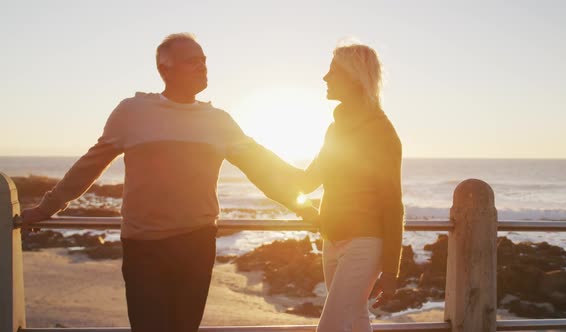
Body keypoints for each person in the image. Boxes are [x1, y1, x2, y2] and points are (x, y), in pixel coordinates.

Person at [21, 32, 315, 332]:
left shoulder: (219, 121)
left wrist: (300, 204)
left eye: (203, 60)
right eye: (192, 61)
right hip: (142, 247)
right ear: (165, 69)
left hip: (196, 244)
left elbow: (262, 168)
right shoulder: (131, 112)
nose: (202, 67)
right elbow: (88, 167)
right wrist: (46, 209)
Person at [297, 44, 405, 332]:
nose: (324, 77)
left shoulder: (381, 132)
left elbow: (393, 204)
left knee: (330, 328)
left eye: (333, 71)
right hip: (331, 240)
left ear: (355, 78)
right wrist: (252, 155)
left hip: (364, 244)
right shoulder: (335, 130)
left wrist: (392, 270)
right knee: (355, 321)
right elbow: (308, 181)